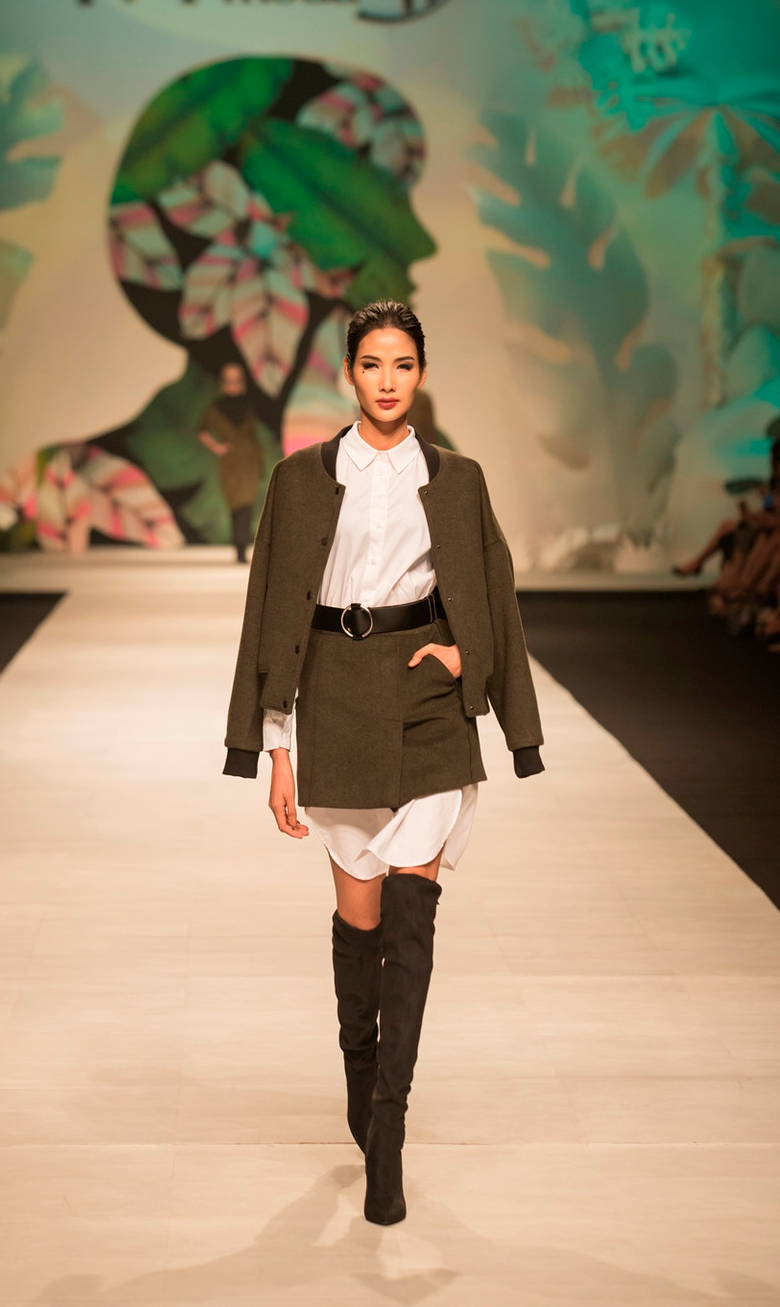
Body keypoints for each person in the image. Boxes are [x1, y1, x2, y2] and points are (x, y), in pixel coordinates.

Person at [222, 300, 544, 1226]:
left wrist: (468, 661)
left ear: (422, 373)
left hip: (426, 701)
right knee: (359, 924)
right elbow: (270, 614)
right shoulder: (298, 479)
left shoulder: (457, 479)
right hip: (333, 702)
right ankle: (362, 1082)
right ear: (349, 374)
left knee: (411, 918)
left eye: (403, 364)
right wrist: (274, 747)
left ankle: (390, 1128)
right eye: (372, 364)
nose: (388, 380)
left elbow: (493, 591)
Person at [198, 362, 264, 563]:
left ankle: (241, 548)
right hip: (230, 461)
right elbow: (202, 430)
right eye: (229, 381)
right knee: (236, 503)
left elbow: (252, 435)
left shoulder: (249, 406)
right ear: (222, 383)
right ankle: (239, 546)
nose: (233, 385)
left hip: (249, 460)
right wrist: (216, 447)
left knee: (246, 504)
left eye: (237, 381)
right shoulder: (215, 408)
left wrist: (259, 461)